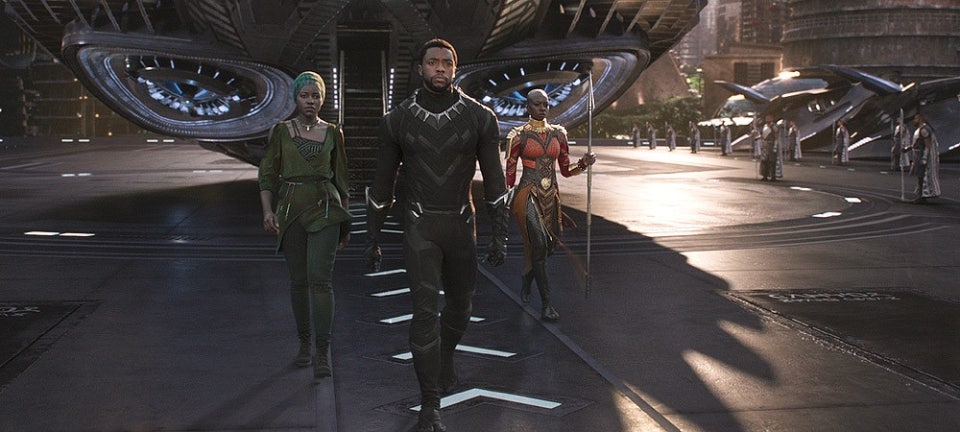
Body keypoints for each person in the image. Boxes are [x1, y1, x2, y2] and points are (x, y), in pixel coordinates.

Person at [364, 38, 510, 432]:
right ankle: (430, 404)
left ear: (455, 69)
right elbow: (382, 186)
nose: (440, 68)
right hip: (420, 227)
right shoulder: (396, 120)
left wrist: (500, 234)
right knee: (425, 311)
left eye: (447, 62)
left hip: (461, 225)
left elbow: (494, 182)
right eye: (433, 62)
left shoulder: (481, 118)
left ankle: (444, 358)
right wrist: (372, 237)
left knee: (461, 308)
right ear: (420, 68)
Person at [258, 71, 352, 382]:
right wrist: (267, 210)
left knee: (320, 281)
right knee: (298, 281)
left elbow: (342, 180)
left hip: (325, 207)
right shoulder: (281, 131)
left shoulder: (334, 133)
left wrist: (346, 222)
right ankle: (304, 343)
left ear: (322, 99)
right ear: (295, 98)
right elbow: (267, 173)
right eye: (304, 95)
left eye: (316, 96)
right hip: (290, 207)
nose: (310, 101)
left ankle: (322, 351)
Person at [505, 89, 596, 321]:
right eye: (537, 104)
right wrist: (505, 199)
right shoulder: (518, 135)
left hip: (551, 196)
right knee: (539, 244)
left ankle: (527, 277)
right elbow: (510, 172)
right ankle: (546, 304)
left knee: (548, 248)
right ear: (528, 107)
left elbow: (565, 170)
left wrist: (583, 164)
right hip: (527, 195)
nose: (542, 108)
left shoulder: (559, 134)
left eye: (545, 104)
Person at [905, 112, 940, 204]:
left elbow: (927, 146)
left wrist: (924, 158)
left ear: (920, 119)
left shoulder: (924, 130)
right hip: (917, 155)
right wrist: (907, 148)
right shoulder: (919, 130)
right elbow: (917, 143)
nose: (914, 121)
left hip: (921, 155)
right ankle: (920, 196)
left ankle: (921, 197)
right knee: (919, 176)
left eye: (915, 119)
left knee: (922, 176)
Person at [759, 115, 779, 181]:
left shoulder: (774, 127)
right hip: (765, 145)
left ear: (772, 119)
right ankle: (765, 175)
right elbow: (762, 136)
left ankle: (773, 176)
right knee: (764, 161)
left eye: (769, 118)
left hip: (771, 145)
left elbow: (776, 137)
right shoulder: (764, 126)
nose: (767, 119)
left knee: (772, 161)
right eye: (766, 118)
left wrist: (775, 146)